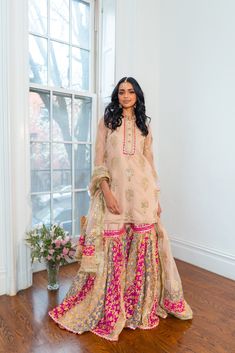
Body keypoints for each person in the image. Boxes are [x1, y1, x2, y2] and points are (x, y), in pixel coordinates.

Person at [48, 77, 193, 341]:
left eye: (131, 92)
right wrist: (106, 191)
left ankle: (138, 306)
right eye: (121, 92)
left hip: (143, 196)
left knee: (141, 248)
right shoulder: (107, 123)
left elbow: (149, 165)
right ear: (117, 95)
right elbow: (99, 161)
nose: (126, 96)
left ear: (137, 95)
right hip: (115, 195)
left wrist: (156, 196)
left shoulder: (144, 126)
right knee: (113, 247)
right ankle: (113, 306)